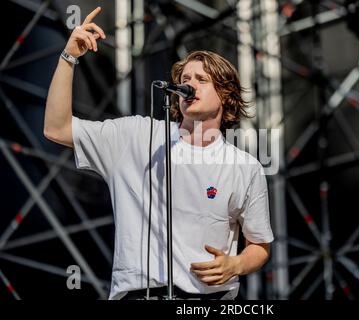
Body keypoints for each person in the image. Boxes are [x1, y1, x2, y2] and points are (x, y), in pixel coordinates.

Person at [44, 7, 274, 300]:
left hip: (207, 299)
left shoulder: (244, 167)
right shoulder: (135, 135)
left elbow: (259, 245)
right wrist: (68, 57)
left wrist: (237, 264)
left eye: (202, 79)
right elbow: (56, 128)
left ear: (226, 95)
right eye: (186, 78)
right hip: (138, 294)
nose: (189, 84)